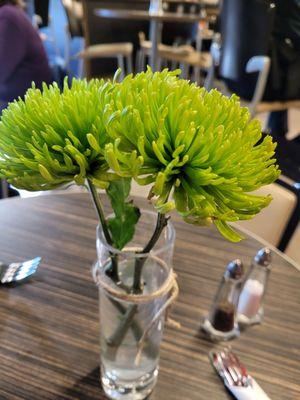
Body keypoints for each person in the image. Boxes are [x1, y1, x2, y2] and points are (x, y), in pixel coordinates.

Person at [0, 0, 53, 114]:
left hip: (25, 102)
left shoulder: (7, 17)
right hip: (21, 95)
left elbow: (2, 72)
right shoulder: (9, 12)